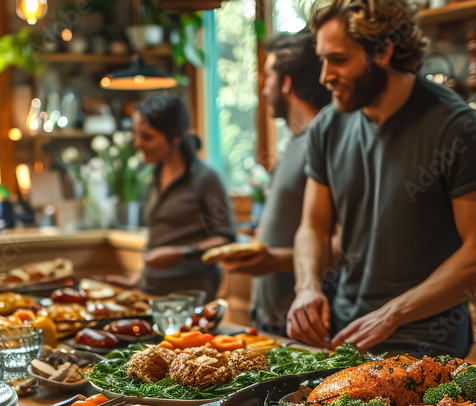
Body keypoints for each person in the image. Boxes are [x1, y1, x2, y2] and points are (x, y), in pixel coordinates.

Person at [287, 0, 476, 357]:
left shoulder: (457, 127)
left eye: (338, 60)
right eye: (322, 60)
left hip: (426, 345)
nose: (325, 76)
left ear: (383, 50)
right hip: (346, 339)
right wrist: (307, 287)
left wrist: (393, 314)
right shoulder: (327, 127)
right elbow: (312, 225)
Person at [222, 31, 332, 336]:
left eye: (268, 75)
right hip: (272, 315)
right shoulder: (294, 143)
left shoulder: (321, 141)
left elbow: (341, 243)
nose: (263, 86)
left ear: (286, 82)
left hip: (301, 319)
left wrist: (270, 260)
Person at [133, 95, 235, 301]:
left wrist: (182, 252)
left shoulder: (206, 178)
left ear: (175, 137)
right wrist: (138, 276)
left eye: (147, 137)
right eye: (136, 135)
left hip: (192, 293)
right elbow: (158, 238)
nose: (138, 143)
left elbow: (225, 238)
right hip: (152, 290)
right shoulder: (153, 175)